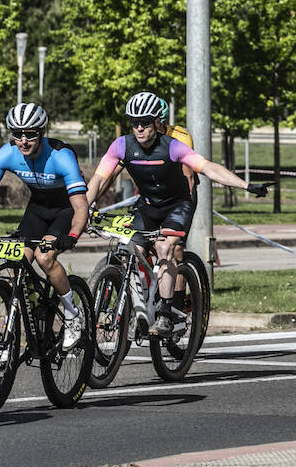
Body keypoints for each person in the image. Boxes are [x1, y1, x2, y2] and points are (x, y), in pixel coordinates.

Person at [81, 91, 266, 336]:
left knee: (164, 248)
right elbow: (100, 178)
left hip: (177, 205)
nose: (139, 128)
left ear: (157, 121)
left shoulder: (173, 146)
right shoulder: (121, 145)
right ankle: (139, 305)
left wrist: (245, 185)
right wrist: (82, 210)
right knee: (131, 251)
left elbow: (207, 167)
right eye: (134, 122)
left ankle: (167, 313)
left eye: (145, 123)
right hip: (147, 206)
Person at [0, 103, 88, 348]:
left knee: (45, 257)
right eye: (17, 134)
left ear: (42, 133)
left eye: (30, 134)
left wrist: (74, 234)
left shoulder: (61, 156)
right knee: (17, 263)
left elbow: (80, 206)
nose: (23, 140)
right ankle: (21, 324)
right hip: (36, 210)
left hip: (64, 210)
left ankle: (72, 314)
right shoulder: (7, 153)